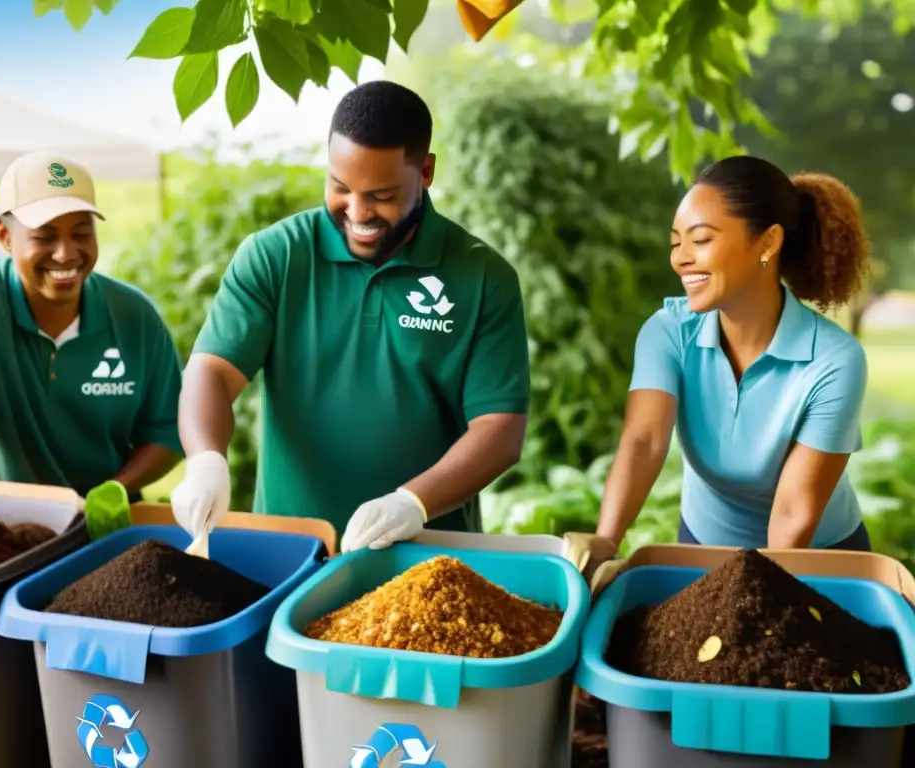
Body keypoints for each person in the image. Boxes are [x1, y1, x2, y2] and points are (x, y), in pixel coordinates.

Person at [170, 80, 531, 552]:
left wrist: (412, 503)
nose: (357, 212)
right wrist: (205, 461)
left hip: (428, 555)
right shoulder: (276, 256)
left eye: (380, 195)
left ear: (425, 171)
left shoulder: (483, 276)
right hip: (294, 549)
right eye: (340, 188)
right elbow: (213, 370)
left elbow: (500, 427)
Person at [591, 155, 873, 559]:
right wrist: (605, 541)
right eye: (676, 242)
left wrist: (755, 603)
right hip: (704, 541)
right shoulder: (668, 332)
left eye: (701, 240)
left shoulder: (834, 361)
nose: (681, 258)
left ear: (768, 243)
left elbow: (794, 514)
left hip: (819, 555)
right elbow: (644, 442)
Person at [0, 151, 184, 502]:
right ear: (5, 236)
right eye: (45, 236)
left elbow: (169, 430)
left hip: (112, 530)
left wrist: (112, 492)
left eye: (81, 232)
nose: (66, 253)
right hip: (8, 531)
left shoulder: (134, 317)